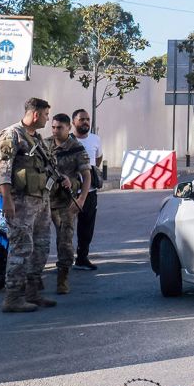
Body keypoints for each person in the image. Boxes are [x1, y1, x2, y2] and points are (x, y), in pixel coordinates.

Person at [0, 98, 57, 313]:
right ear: (37, 114)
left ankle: (32, 293)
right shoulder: (12, 135)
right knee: (21, 248)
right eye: (47, 115)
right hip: (20, 202)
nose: (48, 119)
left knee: (41, 247)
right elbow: (2, 169)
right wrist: (7, 199)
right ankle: (13, 297)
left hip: (40, 201)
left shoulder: (37, 139)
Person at [46, 113, 92, 296]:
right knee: (38, 239)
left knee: (64, 242)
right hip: (44, 200)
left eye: (60, 128)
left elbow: (86, 176)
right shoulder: (45, 145)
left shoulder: (76, 148)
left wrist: (81, 199)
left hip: (66, 202)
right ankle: (33, 280)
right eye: (53, 127)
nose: (56, 131)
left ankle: (62, 278)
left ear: (68, 128)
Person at [71, 109, 103, 271]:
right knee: (65, 227)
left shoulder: (95, 139)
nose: (85, 122)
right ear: (73, 122)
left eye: (87, 119)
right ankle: (64, 259)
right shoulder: (67, 140)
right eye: (82, 119)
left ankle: (82, 258)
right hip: (69, 192)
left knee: (87, 227)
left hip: (89, 191)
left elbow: (98, 158)